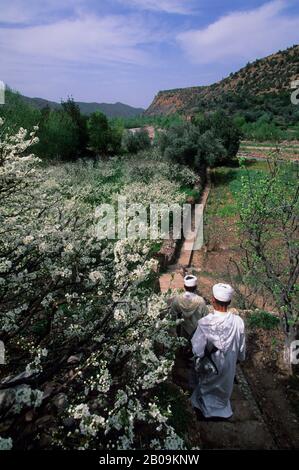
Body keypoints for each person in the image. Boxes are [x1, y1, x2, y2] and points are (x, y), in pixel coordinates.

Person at [191, 283, 246, 419]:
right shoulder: (238, 322)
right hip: (228, 365)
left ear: (213, 300)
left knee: (206, 385)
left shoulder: (205, 323)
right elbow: (241, 350)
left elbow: (197, 350)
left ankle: (205, 410)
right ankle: (222, 410)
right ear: (229, 302)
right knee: (223, 388)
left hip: (211, 366)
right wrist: (238, 358)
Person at [171, 275, 209, 340]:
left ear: (184, 286)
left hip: (181, 333)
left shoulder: (177, 299)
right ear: (195, 287)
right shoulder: (200, 301)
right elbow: (206, 318)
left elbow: (172, 317)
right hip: (196, 334)